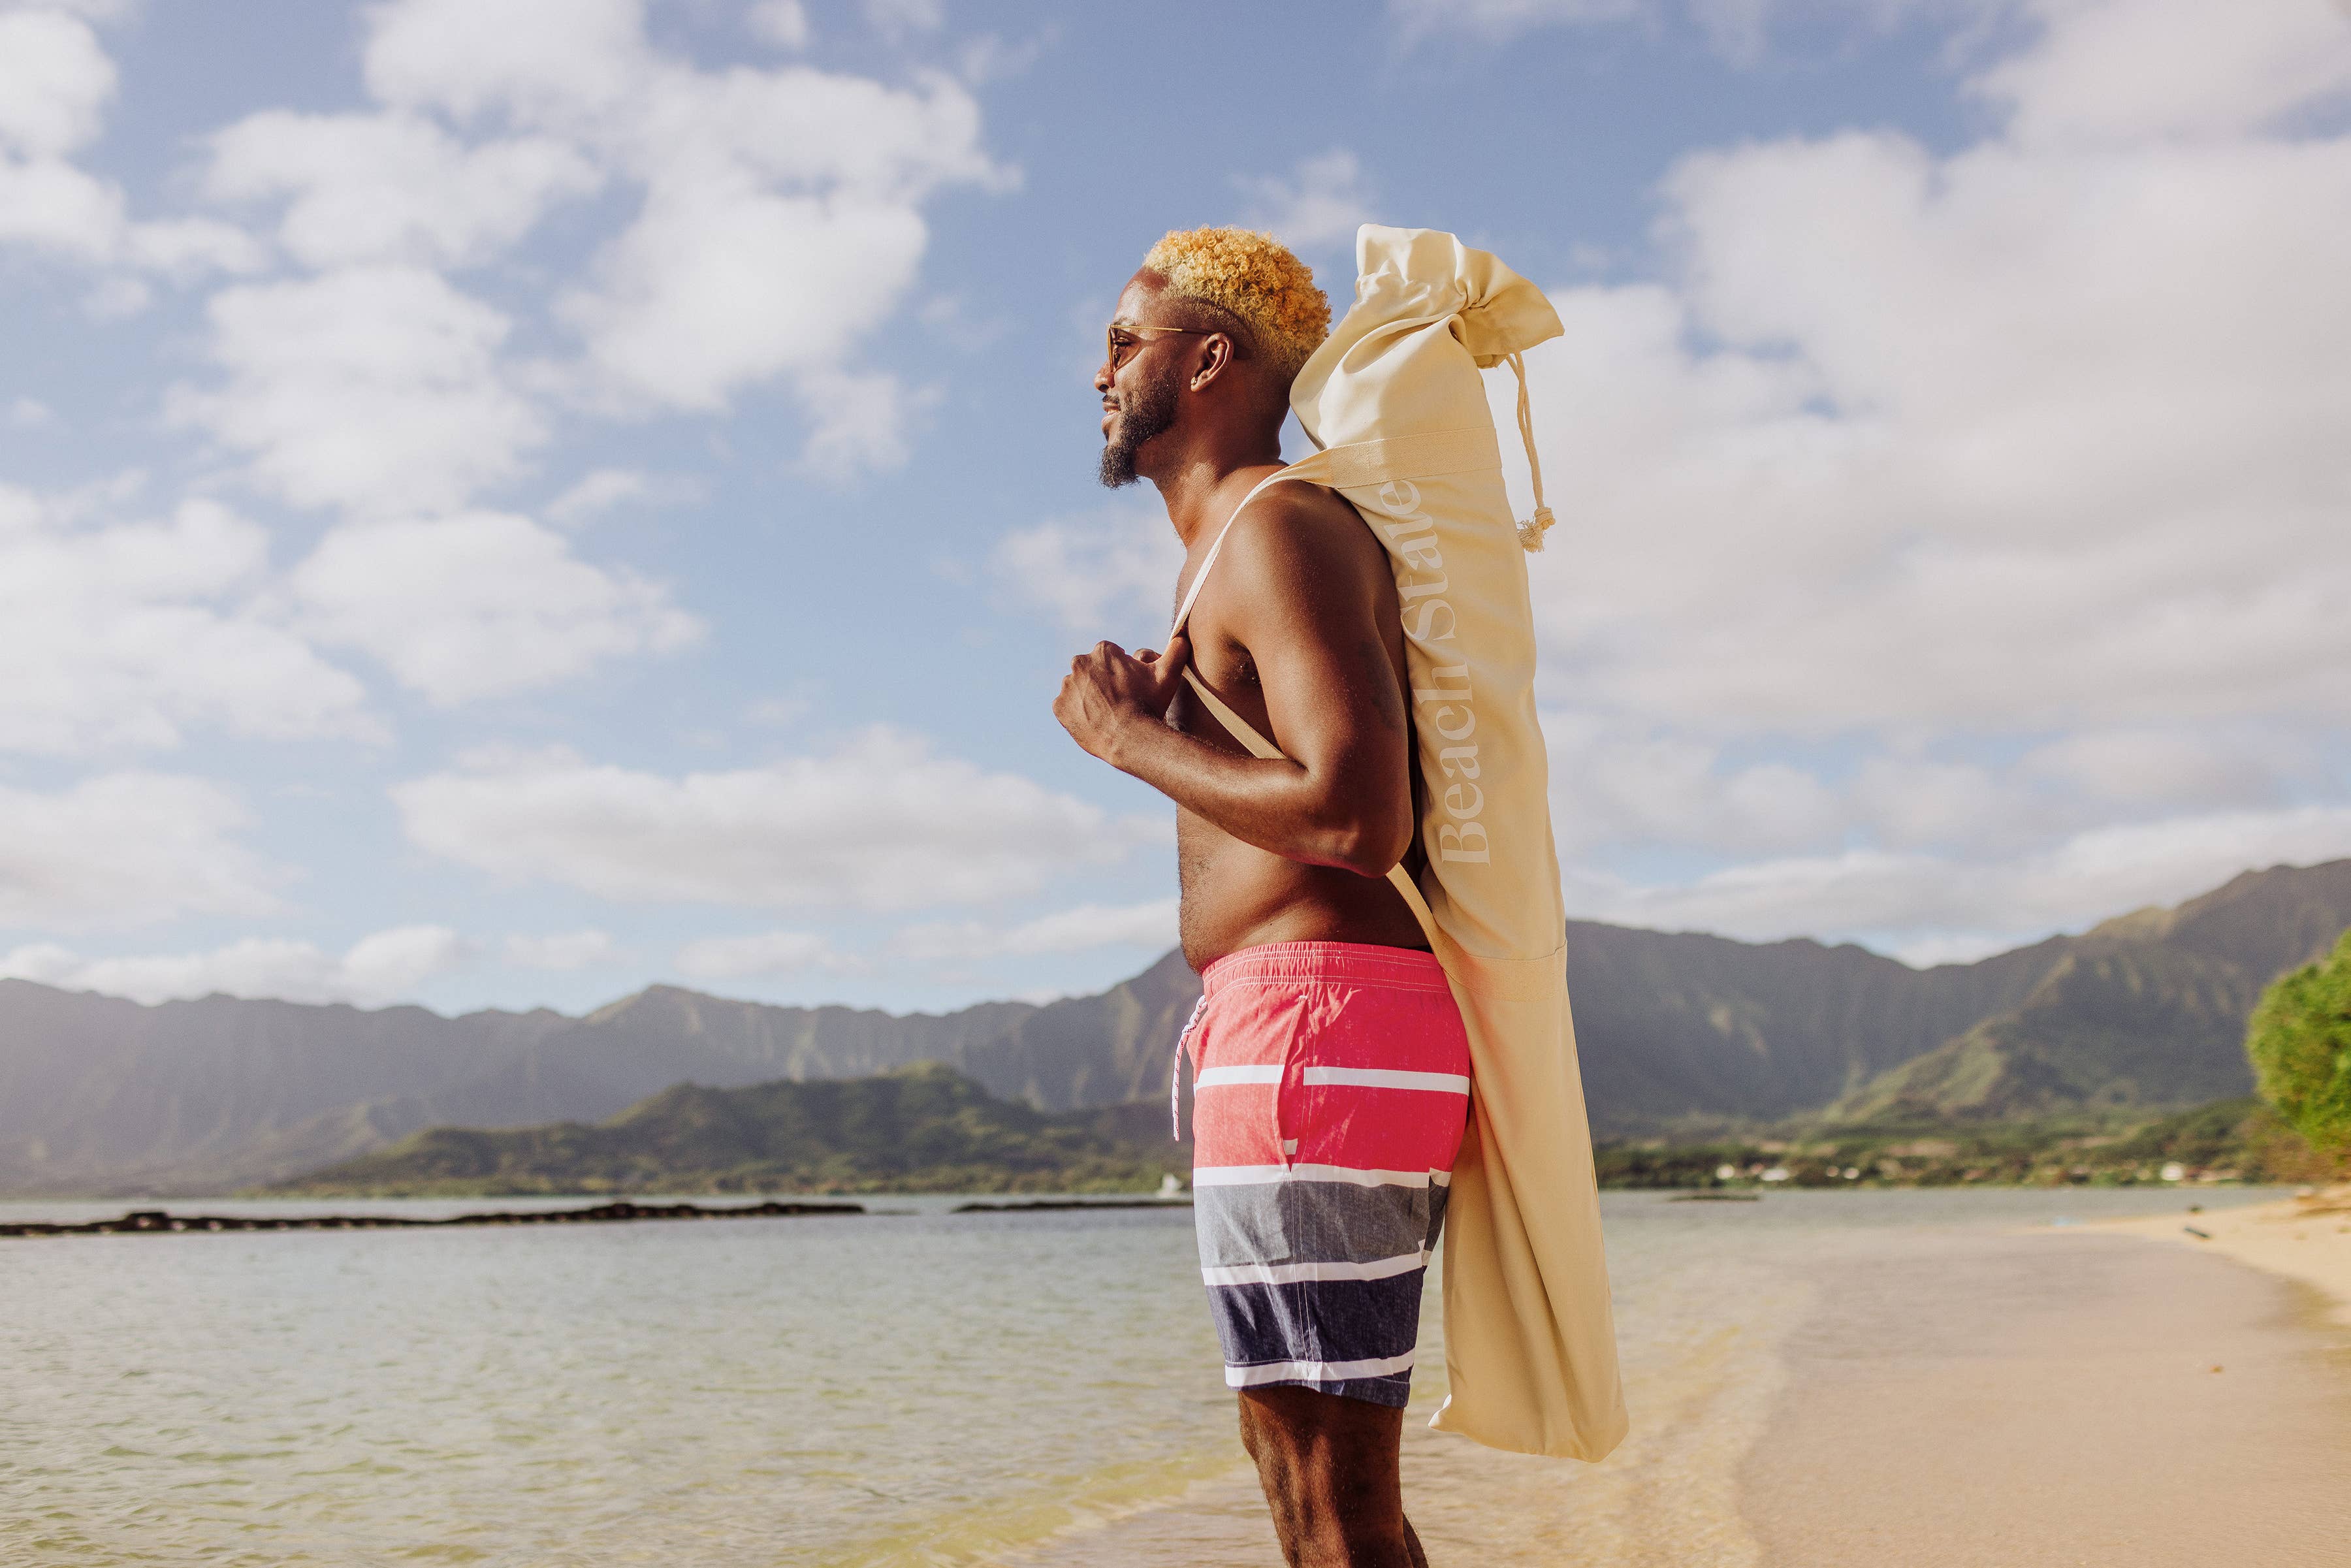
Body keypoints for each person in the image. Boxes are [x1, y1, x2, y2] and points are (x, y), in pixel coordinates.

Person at [1053, 227, 1469, 1568]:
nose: (1100, 373)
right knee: (1315, 1484)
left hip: (1319, 1030)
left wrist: (1131, 741)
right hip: (1307, 1031)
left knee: (1326, 1496)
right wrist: (1185, 732)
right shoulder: (1239, 544)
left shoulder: (1277, 527)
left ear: (1210, 360)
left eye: (1125, 343)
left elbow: (1358, 814)